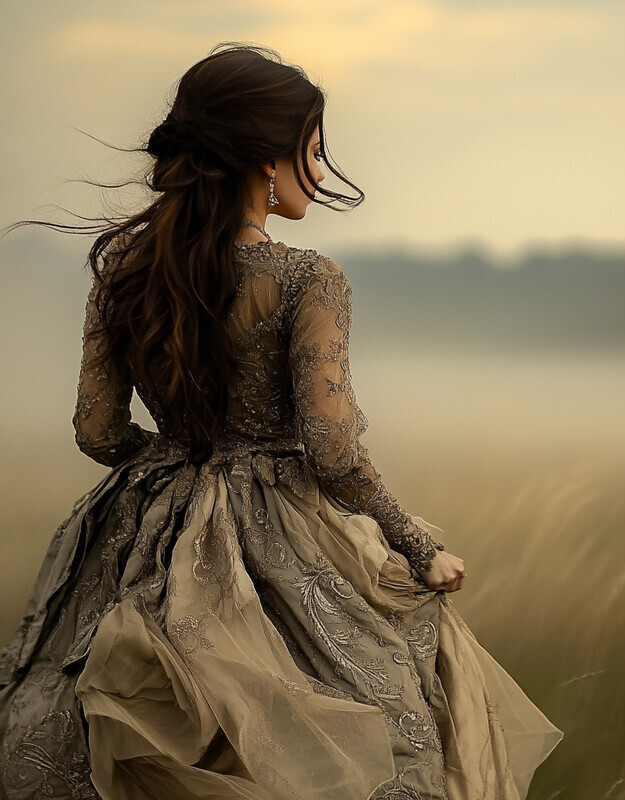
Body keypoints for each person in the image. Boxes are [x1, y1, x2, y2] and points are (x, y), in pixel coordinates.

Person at [0, 43, 563, 800]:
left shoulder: (126, 274)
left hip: (149, 530)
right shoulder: (308, 279)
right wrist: (418, 544)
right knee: (383, 731)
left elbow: (97, 431)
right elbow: (333, 453)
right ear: (268, 157)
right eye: (315, 150)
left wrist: (167, 473)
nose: (322, 172)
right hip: (287, 537)